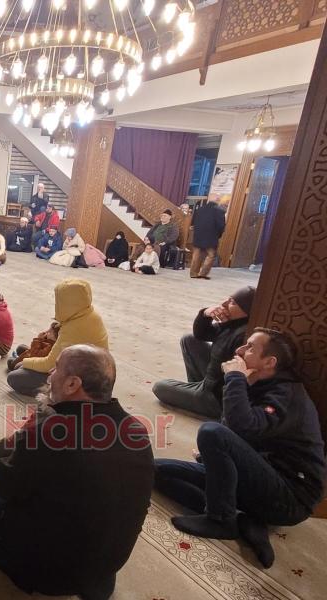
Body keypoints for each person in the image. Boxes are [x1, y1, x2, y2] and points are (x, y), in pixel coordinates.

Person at [0, 346, 154, 598]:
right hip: (107, 566)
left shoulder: (50, 431)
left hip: (50, 573)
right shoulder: (136, 430)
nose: (49, 375)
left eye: (56, 367)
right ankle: (89, 576)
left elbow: (4, 486)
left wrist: (33, 427)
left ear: (72, 384)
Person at [155, 329, 325, 568]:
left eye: (250, 347)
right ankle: (243, 519)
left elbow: (241, 427)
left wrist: (235, 378)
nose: (240, 350)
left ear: (269, 362)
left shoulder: (285, 395)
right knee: (152, 469)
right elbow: (236, 430)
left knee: (212, 432)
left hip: (290, 497)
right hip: (260, 474)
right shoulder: (257, 382)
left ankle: (221, 520)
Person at [153, 286, 255, 419]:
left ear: (246, 311)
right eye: (228, 299)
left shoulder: (243, 335)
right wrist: (205, 314)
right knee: (189, 339)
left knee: (160, 387)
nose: (224, 304)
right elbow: (201, 335)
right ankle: (194, 391)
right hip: (211, 380)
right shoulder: (233, 323)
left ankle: (200, 400)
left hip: (215, 396)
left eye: (233, 303)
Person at [7, 279, 109, 397]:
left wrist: (24, 361)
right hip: (96, 375)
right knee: (22, 351)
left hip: (83, 384)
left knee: (15, 377)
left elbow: (49, 364)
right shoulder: (88, 314)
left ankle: (59, 396)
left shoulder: (73, 328)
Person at [190, 200, 226, 279]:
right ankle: (203, 273)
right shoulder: (219, 211)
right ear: (217, 203)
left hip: (198, 236)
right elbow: (221, 226)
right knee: (210, 255)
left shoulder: (199, 209)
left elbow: (193, 223)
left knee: (196, 255)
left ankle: (193, 273)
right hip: (211, 237)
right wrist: (218, 235)